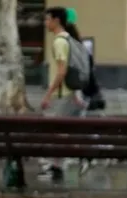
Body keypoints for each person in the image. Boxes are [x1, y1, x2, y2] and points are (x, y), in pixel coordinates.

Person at [40, 7, 83, 181]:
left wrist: (48, 94)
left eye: (47, 19)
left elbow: (61, 71)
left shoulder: (60, 41)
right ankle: (56, 165)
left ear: (56, 20)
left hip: (63, 93)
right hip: (72, 92)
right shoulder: (71, 39)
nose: (46, 23)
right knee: (61, 132)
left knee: (54, 131)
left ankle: (55, 166)